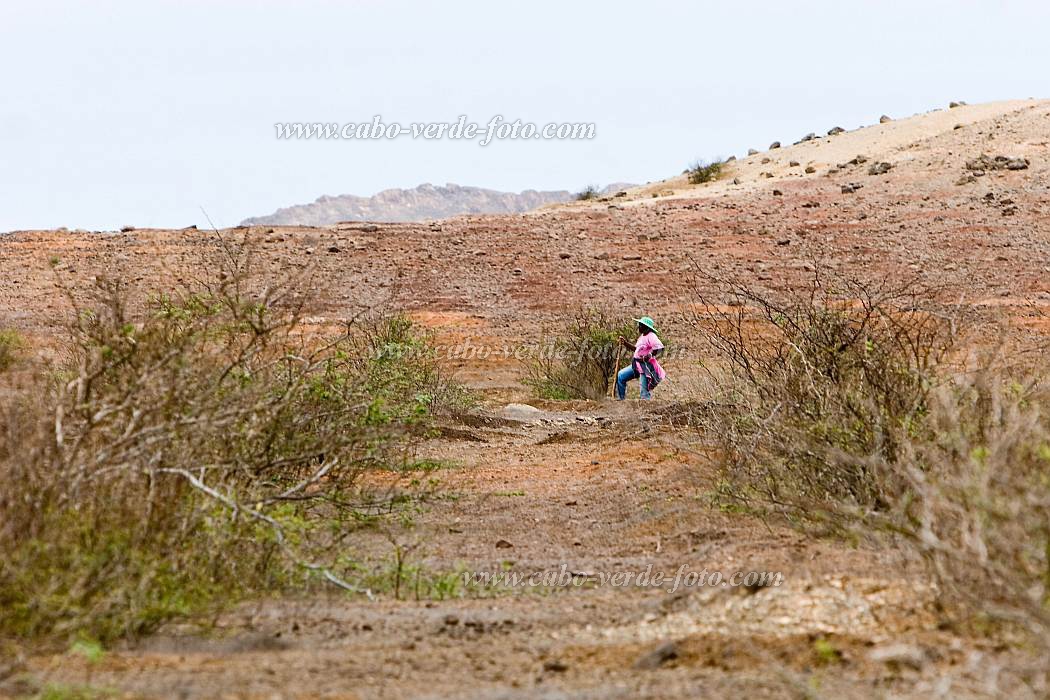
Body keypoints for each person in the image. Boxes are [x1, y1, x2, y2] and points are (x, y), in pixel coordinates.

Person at [615, 316, 666, 400]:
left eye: (640, 325)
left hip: (646, 366)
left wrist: (649, 355)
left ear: (646, 327)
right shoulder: (642, 336)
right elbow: (637, 350)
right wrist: (625, 343)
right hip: (637, 365)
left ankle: (646, 408)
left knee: (644, 392)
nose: (639, 327)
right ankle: (621, 400)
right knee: (621, 376)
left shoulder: (651, 336)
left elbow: (660, 348)